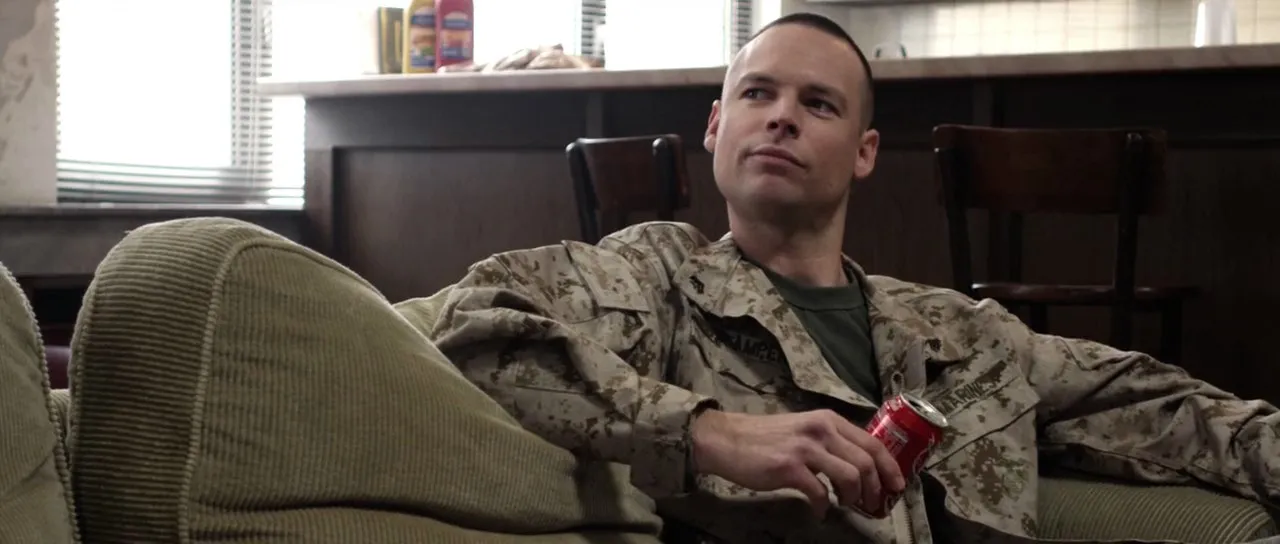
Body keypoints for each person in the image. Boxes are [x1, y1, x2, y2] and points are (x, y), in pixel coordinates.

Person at [427, 12, 1280, 544]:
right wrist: (705, 432)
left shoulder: (964, 337)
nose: (782, 117)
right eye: (757, 94)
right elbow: (470, 324)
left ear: (865, 152)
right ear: (717, 126)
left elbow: (1175, 411)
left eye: (819, 104)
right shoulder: (656, 281)